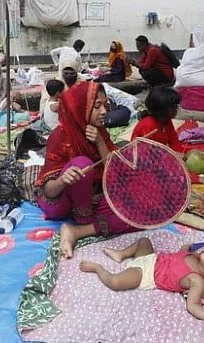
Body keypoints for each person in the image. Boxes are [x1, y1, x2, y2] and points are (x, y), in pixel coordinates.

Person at [36, 82, 139, 258]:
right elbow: (48, 191)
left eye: (105, 105)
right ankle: (83, 221)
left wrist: (99, 142)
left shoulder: (100, 131)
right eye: (97, 106)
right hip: (61, 202)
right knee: (83, 164)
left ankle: (75, 231)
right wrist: (62, 180)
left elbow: (114, 171)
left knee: (137, 212)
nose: (104, 111)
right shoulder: (59, 136)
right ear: (80, 108)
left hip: (92, 199)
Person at [79, 237, 204, 333]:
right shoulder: (195, 256)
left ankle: (97, 268)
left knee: (115, 282)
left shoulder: (197, 281)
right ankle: (121, 254)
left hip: (146, 274)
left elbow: (193, 306)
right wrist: (185, 246)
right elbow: (180, 255)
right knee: (144, 240)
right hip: (152, 258)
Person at [132, 86, 204, 192]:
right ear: (162, 109)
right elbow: (152, 158)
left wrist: (182, 154)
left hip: (159, 156)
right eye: (174, 107)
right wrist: (174, 158)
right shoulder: (148, 127)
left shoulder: (165, 121)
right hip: (144, 164)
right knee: (174, 177)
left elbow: (174, 142)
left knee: (186, 157)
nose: (177, 109)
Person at [175, 26, 204, 112]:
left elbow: (184, 65)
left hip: (184, 80)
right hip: (202, 79)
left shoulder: (189, 52)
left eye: (192, 38)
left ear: (196, 39)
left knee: (180, 73)